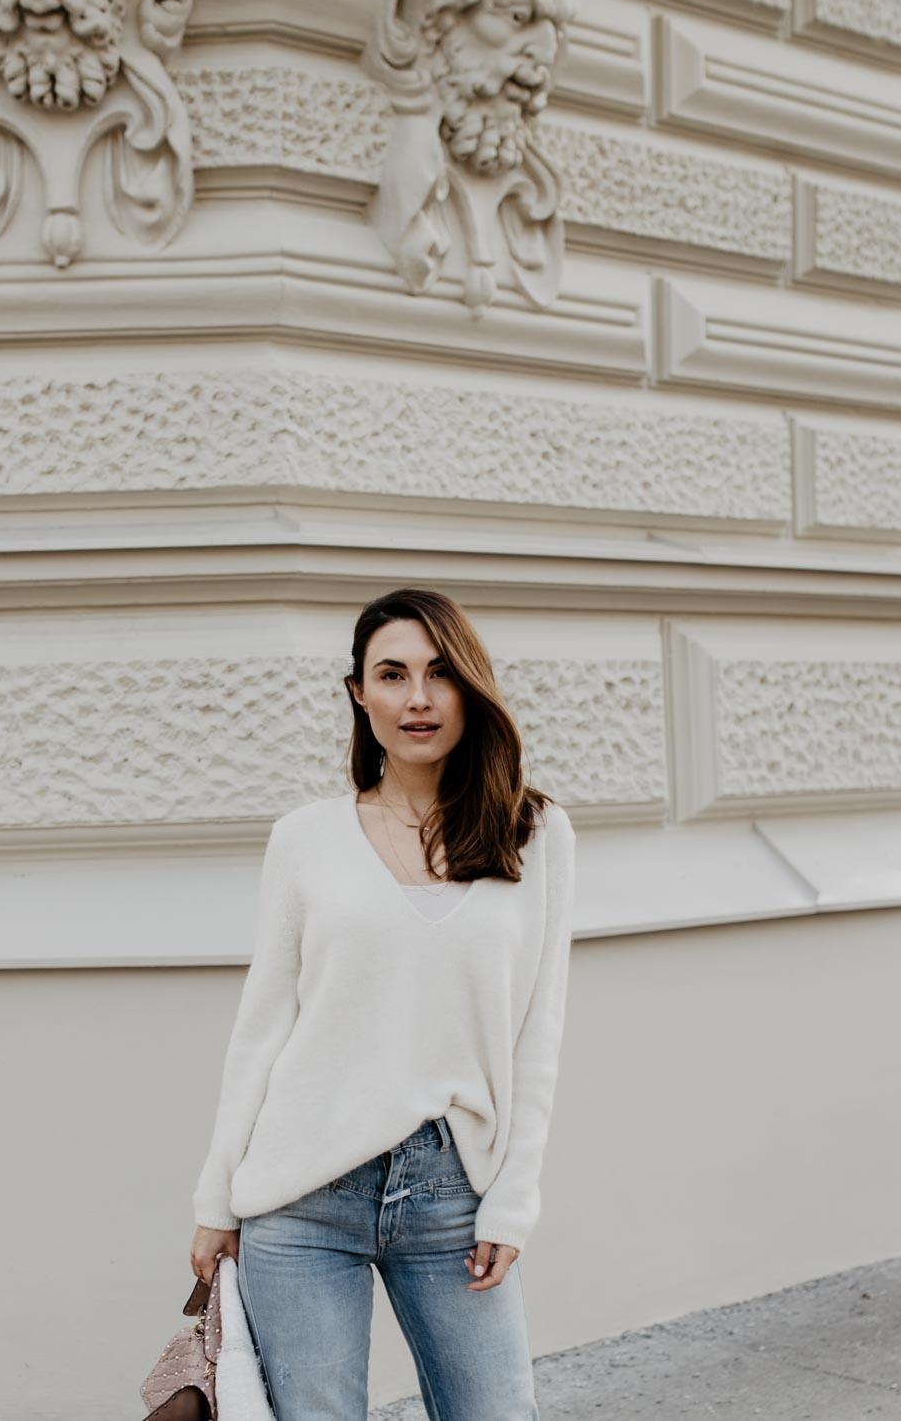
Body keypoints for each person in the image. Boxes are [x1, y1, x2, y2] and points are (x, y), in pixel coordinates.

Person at [189, 585, 577, 1420]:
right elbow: (264, 1028)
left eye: (440, 674)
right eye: (392, 675)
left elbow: (537, 1033)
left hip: (452, 1192)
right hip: (301, 1196)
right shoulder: (305, 839)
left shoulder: (534, 833)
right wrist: (216, 1201)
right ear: (359, 694)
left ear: (470, 687)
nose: (418, 698)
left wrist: (514, 1199)